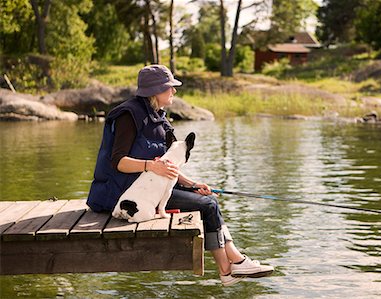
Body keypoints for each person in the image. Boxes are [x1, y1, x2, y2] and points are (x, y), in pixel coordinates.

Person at [86, 65, 274, 286]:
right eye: (170, 88)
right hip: (124, 194)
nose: (174, 92)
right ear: (156, 90)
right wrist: (150, 166)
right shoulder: (129, 115)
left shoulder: (160, 118)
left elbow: (168, 167)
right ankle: (229, 266)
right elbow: (119, 163)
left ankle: (232, 265)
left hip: (149, 187)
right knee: (208, 206)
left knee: (209, 200)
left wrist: (192, 184)